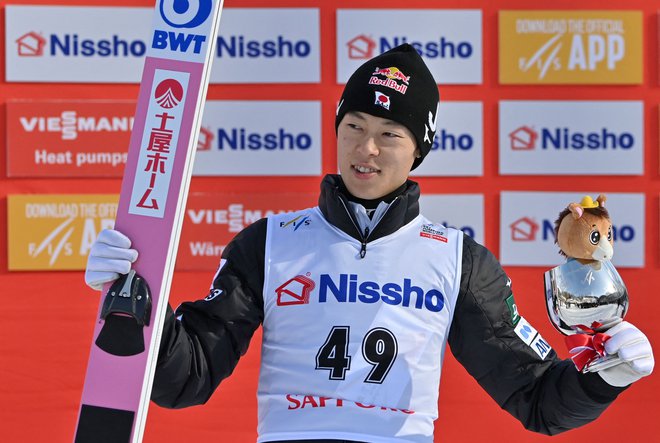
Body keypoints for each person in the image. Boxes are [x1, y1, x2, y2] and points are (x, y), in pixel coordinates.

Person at [85, 44, 654, 443]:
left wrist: (603, 378)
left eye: (390, 135)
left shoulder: (457, 259)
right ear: (335, 129)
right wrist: (139, 307)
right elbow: (188, 379)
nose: (367, 149)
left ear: (417, 151)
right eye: (354, 126)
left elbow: (535, 399)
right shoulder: (270, 243)